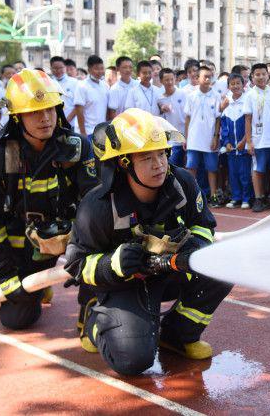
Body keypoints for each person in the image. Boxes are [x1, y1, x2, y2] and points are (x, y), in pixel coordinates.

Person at [64, 108, 232, 374]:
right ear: (124, 163)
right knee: (133, 361)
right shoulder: (96, 206)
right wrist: (113, 264)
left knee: (223, 263)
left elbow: (204, 225)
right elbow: (76, 265)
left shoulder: (182, 183)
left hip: (170, 270)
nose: (160, 164)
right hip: (123, 284)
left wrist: (196, 247)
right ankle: (95, 318)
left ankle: (177, 335)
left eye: (162, 153)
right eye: (147, 157)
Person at [0, 69, 98, 330]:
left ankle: (92, 306)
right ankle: (38, 286)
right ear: (16, 117)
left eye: (50, 109)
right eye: (34, 112)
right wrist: (6, 276)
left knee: (102, 235)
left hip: (73, 240)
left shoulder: (75, 148)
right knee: (16, 320)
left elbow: (96, 203)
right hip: (25, 250)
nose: (45, 118)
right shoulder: (0, 157)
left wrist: (85, 249)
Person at [244, 63, 270, 212]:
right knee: (258, 170)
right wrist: (249, 141)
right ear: (252, 77)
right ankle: (259, 198)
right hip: (258, 140)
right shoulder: (249, 95)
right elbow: (247, 119)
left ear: (268, 75)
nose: (260, 77)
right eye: (257, 75)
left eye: (263, 74)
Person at [183, 65, 222, 206]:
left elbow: (218, 118)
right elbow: (187, 118)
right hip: (193, 139)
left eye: (209, 76)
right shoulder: (191, 96)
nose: (207, 79)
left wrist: (215, 137)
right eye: (204, 76)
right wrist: (185, 138)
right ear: (197, 78)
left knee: (211, 169)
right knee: (191, 167)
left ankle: (213, 196)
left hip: (209, 139)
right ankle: (191, 195)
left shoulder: (216, 96)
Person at [219, 73, 253, 209]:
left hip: (243, 146)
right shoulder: (227, 103)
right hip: (231, 148)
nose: (235, 86)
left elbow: (249, 123)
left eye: (238, 83)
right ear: (228, 86)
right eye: (232, 84)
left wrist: (244, 141)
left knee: (245, 174)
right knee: (233, 174)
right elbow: (224, 125)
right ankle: (235, 197)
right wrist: (226, 142)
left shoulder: (247, 100)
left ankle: (246, 198)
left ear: (243, 84)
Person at [156, 68, 188, 167]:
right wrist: (161, 108)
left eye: (172, 79)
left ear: (175, 79)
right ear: (161, 81)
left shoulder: (183, 94)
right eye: (166, 80)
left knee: (187, 167)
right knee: (173, 166)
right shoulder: (160, 98)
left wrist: (187, 137)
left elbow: (188, 116)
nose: (170, 82)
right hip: (171, 139)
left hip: (185, 136)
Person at [74, 56, 109, 140]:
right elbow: (79, 111)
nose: (100, 71)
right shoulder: (82, 86)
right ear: (89, 70)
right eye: (96, 68)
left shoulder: (105, 85)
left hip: (101, 131)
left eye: (102, 68)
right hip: (87, 132)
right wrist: (83, 133)